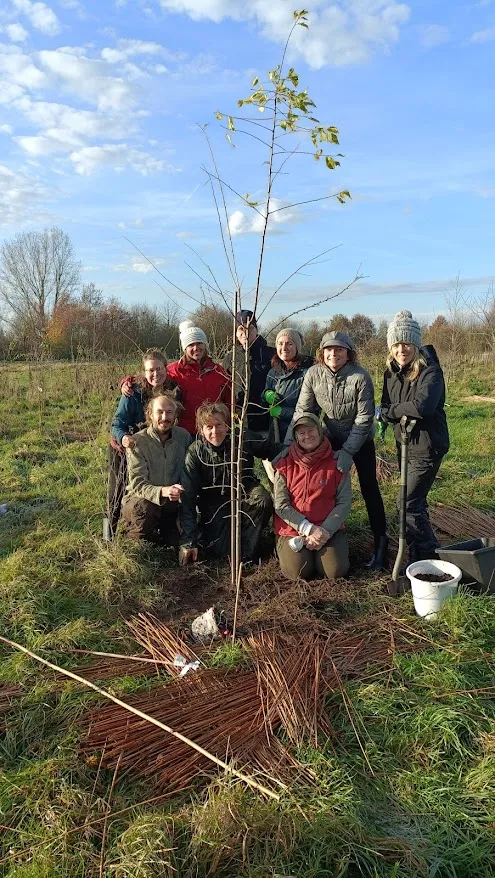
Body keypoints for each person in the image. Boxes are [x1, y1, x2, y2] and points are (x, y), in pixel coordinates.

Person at [290, 330, 388, 570]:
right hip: (329, 436)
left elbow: (365, 418)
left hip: (361, 439)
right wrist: (289, 445)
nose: (334, 354)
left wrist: (347, 452)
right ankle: (326, 534)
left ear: (348, 353)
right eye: (329, 349)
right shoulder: (313, 374)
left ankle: (381, 545)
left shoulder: (360, 376)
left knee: (369, 489)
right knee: (324, 487)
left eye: (339, 349)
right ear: (322, 353)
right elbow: (304, 411)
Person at [379, 310, 449, 564]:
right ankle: (417, 551)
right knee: (416, 502)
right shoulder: (390, 372)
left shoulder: (430, 371)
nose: (401, 349)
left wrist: (391, 412)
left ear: (416, 344)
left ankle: (430, 555)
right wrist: (388, 413)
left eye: (406, 343)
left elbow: (422, 407)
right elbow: (384, 405)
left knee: (407, 504)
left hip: (427, 446)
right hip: (405, 444)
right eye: (396, 344)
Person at [179, 402, 276, 564]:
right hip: (213, 504)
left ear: (227, 426)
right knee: (220, 551)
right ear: (201, 430)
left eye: (219, 425)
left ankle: (247, 552)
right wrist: (189, 541)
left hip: (244, 492)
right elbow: (187, 497)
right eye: (208, 427)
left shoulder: (242, 438)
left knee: (262, 500)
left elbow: (271, 449)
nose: (215, 431)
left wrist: (300, 453)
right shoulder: (195, 452)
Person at [108, 349, 179, 536]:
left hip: (155, 448)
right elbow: (117, 423)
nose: (156, 374)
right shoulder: (132, 392)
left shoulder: (173, 389)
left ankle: (153, 527)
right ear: (143, 372)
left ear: (167, 368)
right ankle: (108, 533)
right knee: (118, 490)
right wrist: (123, 438)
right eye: (150, 370)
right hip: (127, 447)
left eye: (159, 369)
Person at [274, 413, 351, 581]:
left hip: (327, 528)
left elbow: (344, 503)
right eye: (301, 433)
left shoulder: (337, 462)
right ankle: (285, 547)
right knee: (298, 572)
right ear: (295, 436)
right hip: (294, 529)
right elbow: (281, 505)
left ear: (320, 431)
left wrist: (325, 531)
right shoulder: (285, 463)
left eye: (311, 430)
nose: (307, 436)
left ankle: (330, 548)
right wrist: (308, 528)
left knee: (335, 571)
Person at [121, 393, 191, 543]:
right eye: (159, 412)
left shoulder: (184, 437)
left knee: (178, 539)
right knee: (144, 509)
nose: (164, 417)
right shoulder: (138, 442)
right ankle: (132, 537)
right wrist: (163, 491)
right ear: (150, 415)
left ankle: (165, 532)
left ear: (175, 415)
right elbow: (138, 485)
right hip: (142, 500)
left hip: (172, 502)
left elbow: (189, 474)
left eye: (169, 412)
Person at [167, 320, 232, 435]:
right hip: (184, 432)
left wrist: (228, 424)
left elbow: (230, 400)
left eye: (199, 343)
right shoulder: (173, 371)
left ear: (205, 345)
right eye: (191, 344)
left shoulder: (218, 371)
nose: (196, 348)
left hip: (212, 432)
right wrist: (126, 381)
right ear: (185, 348)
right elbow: (150, 377)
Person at [222, 310, 275, 433]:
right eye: (241, 329)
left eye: (250, 328)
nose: (245, 332)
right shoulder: (230, 358)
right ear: (235, 333)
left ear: (256, 330)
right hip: (240, 423)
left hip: (266, 420)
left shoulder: (271, 355)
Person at [263, 328, 314, 442]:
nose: (284, 348)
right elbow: (265, 394)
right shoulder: (273, 371)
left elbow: (311, 411)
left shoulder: (307, 373)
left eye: (289, 344)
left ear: (297, 347)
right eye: (280, 343)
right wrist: (267, 394)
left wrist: (282, 412)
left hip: (299, 435)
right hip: (276, 434)